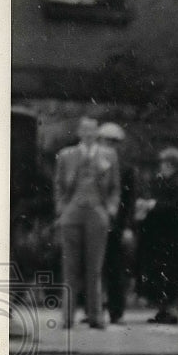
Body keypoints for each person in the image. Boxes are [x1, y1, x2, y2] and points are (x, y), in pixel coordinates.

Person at [53, 117, 121, 329]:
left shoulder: (109, 155)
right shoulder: (67, 155)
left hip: (97, 211)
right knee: (70, 266)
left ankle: (95, 315)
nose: (89, 134)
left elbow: (115, 187)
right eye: (85, 130)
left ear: (97, 133)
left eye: (93, 130)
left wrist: (110, 209)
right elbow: (58, 184)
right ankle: (67, 317)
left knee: (95, 267)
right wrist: (61, 208)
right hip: (72, 211)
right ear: (80, 132)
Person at [136, 148, 178, 324]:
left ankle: (172, 310)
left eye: (166, 162)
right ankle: (163, 309)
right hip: (159, 234)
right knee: (160, 273)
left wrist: (154, 205)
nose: (162, 166)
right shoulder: (160, 180)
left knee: (173, 273)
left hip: (175, 234)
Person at [96, 122, 136, 326]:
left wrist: (127, 226)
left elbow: (129, 201)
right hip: (95, 222)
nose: (108, 145)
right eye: (105, 141)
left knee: (115, 267)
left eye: (113, 142)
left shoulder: (126, 169)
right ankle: (94, 309)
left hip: (116, 224)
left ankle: (116, 311)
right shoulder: (91, 164)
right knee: (94, 267)